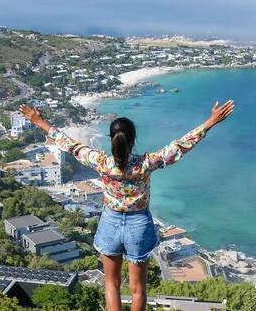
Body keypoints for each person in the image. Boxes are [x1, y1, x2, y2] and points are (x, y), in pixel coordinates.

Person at [18, 100, 235, 311]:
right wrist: (209, 122)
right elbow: (179, 146)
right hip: (138, 225)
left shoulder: (100, 162)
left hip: (110, 222)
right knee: (138, 290)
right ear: (133, 140)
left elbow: (69, 144)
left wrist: (39, 121)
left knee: (111, 285)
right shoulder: (146, 164)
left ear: (112, 139)